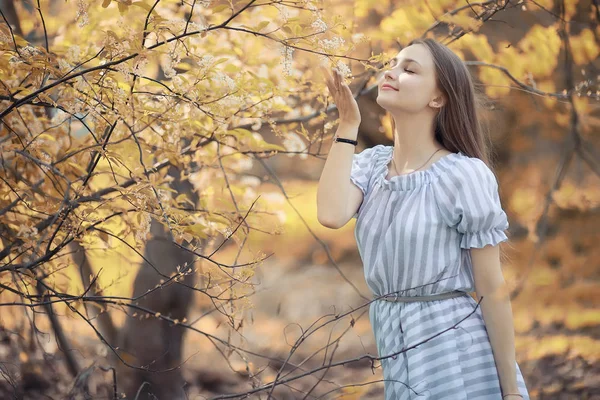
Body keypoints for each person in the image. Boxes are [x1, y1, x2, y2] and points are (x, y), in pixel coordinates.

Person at [316, 38, 530, 399]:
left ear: (438, 98)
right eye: (394, 64)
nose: (392, 72)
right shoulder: (371, 167)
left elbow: (492, 289)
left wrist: (510, 392)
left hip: (454, 353)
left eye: (410, 69)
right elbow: (331, 214)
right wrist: (348, 124)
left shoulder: (462, 175)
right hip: (395, 345)